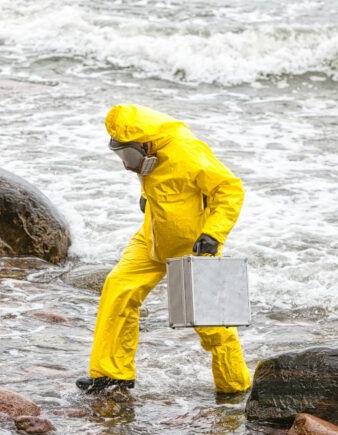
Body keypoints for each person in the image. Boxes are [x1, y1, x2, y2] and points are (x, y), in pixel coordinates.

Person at [76, 104, 251, 394]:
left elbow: (230, 190)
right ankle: (112, 374)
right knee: (118, 288)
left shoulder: (188, 152)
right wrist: (147, 197)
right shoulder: (148, 151)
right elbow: (164, 182)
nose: (125, 163)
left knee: (211, 324)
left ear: (145, 143)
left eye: (128, 154)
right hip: (151, 238)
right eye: (120, 153)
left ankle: (234, 385)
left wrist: (213, 233)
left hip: (193, 246)